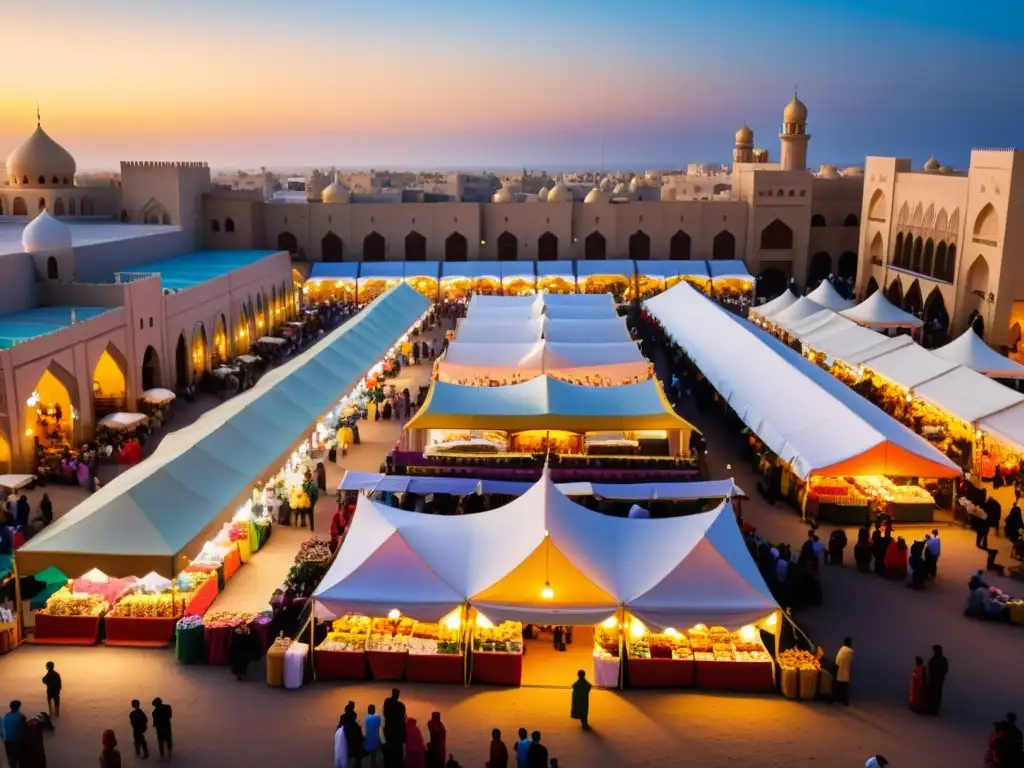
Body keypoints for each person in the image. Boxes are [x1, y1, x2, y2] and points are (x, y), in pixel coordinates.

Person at [382, 689, 406, 768]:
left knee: (389, 754)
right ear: (398, 695)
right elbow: (402, 720)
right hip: (397, 733)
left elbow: (385, 713)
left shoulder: (388, 703)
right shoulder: (401, 706)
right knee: (397, 755)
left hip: (390, 733)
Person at [2, 700, 26, 768]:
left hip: (7, 741)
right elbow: (24, 730)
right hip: (16, 740)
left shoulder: (5, 716)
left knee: (11, 758)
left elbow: (2, 731)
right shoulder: (21, 716)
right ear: (19, 707)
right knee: (19, 758)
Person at [927, 645, 949, 715]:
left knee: (933, 694)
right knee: (937, 694)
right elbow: (946, 669)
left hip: (934, 680)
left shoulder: (933, 659)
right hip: (939, 680)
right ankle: (935, 709)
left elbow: (930, 669)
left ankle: (932, 709)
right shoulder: (943, 659)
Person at [344, 702, 365, 768]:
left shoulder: (345, 718)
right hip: (353, 741)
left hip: (350, 740)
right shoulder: (350, 720)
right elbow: (357, 730)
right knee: (357, 756)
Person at [835, 638, 854, 705]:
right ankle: (844, 700)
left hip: (840, 670)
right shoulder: (851, 652)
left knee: (839, 685)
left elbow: (837, 660)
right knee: (845, 686)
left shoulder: (841, 651)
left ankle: (838, 698)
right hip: (846, 671)